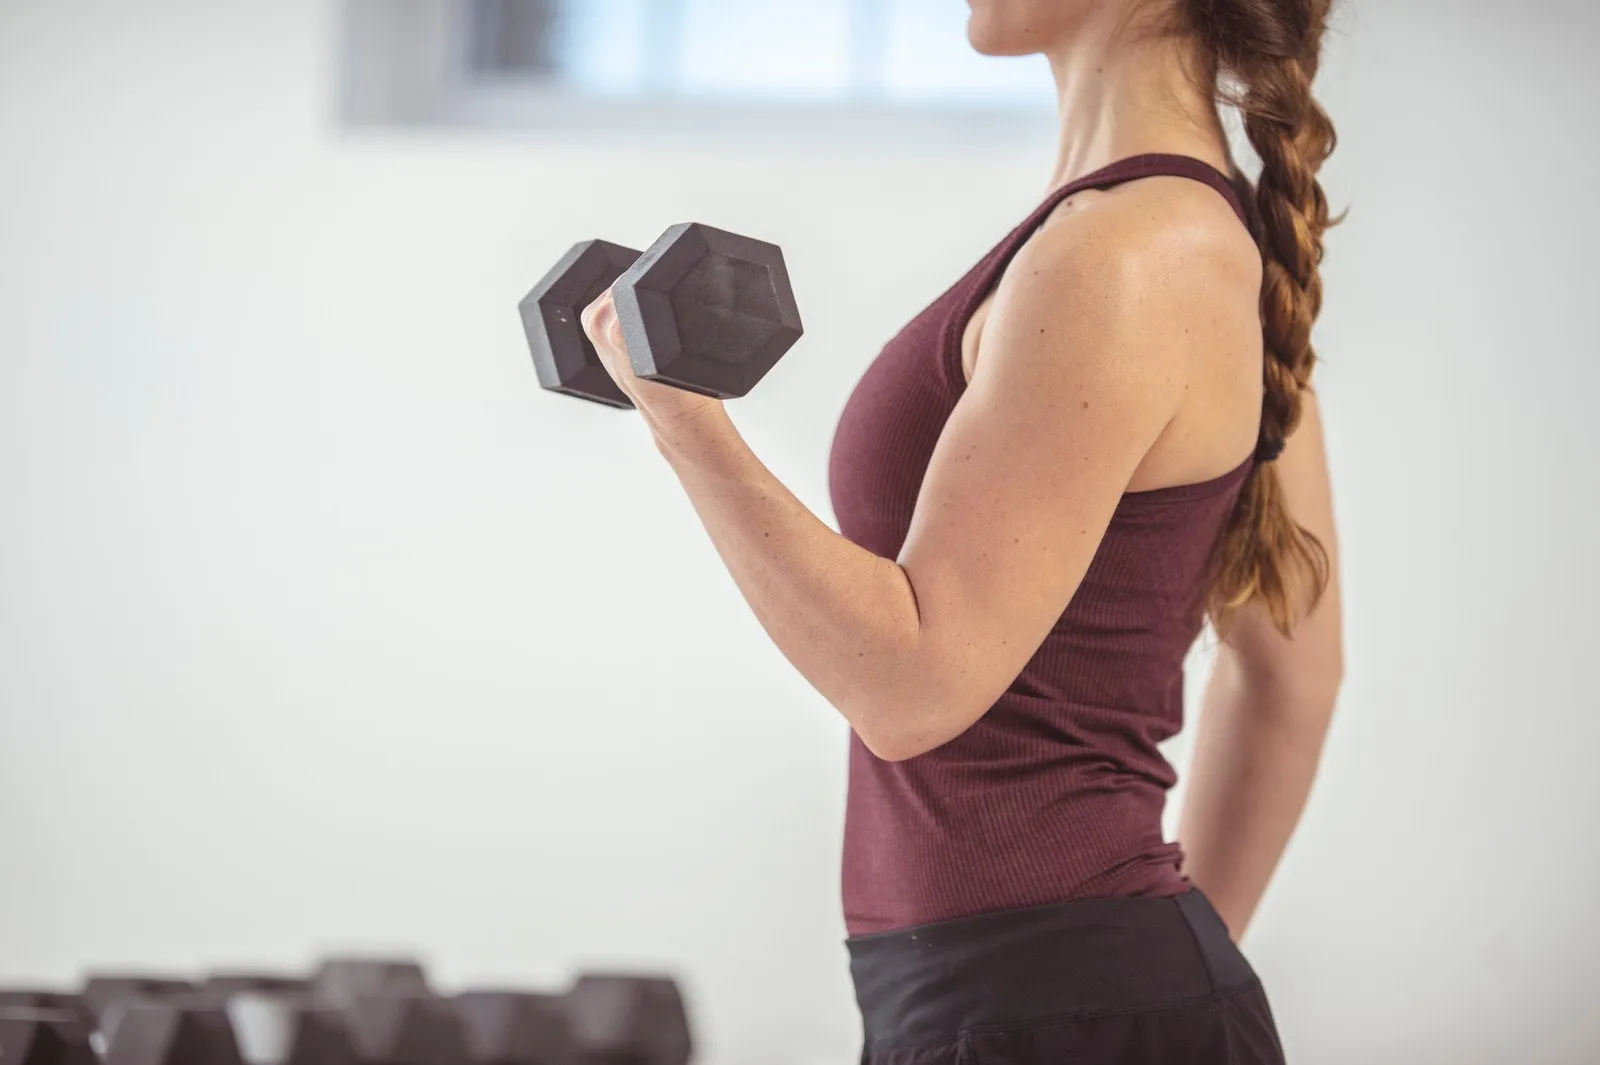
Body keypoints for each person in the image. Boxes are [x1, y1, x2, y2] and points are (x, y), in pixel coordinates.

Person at [581, 0, 1342, 1060]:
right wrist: (1141, 986)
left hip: (1036, 1003)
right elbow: (1290, 683)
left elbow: (910, 689)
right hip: (1040, 1002)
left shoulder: (1121, 255)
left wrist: (683, 424)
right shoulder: (1176, 243)